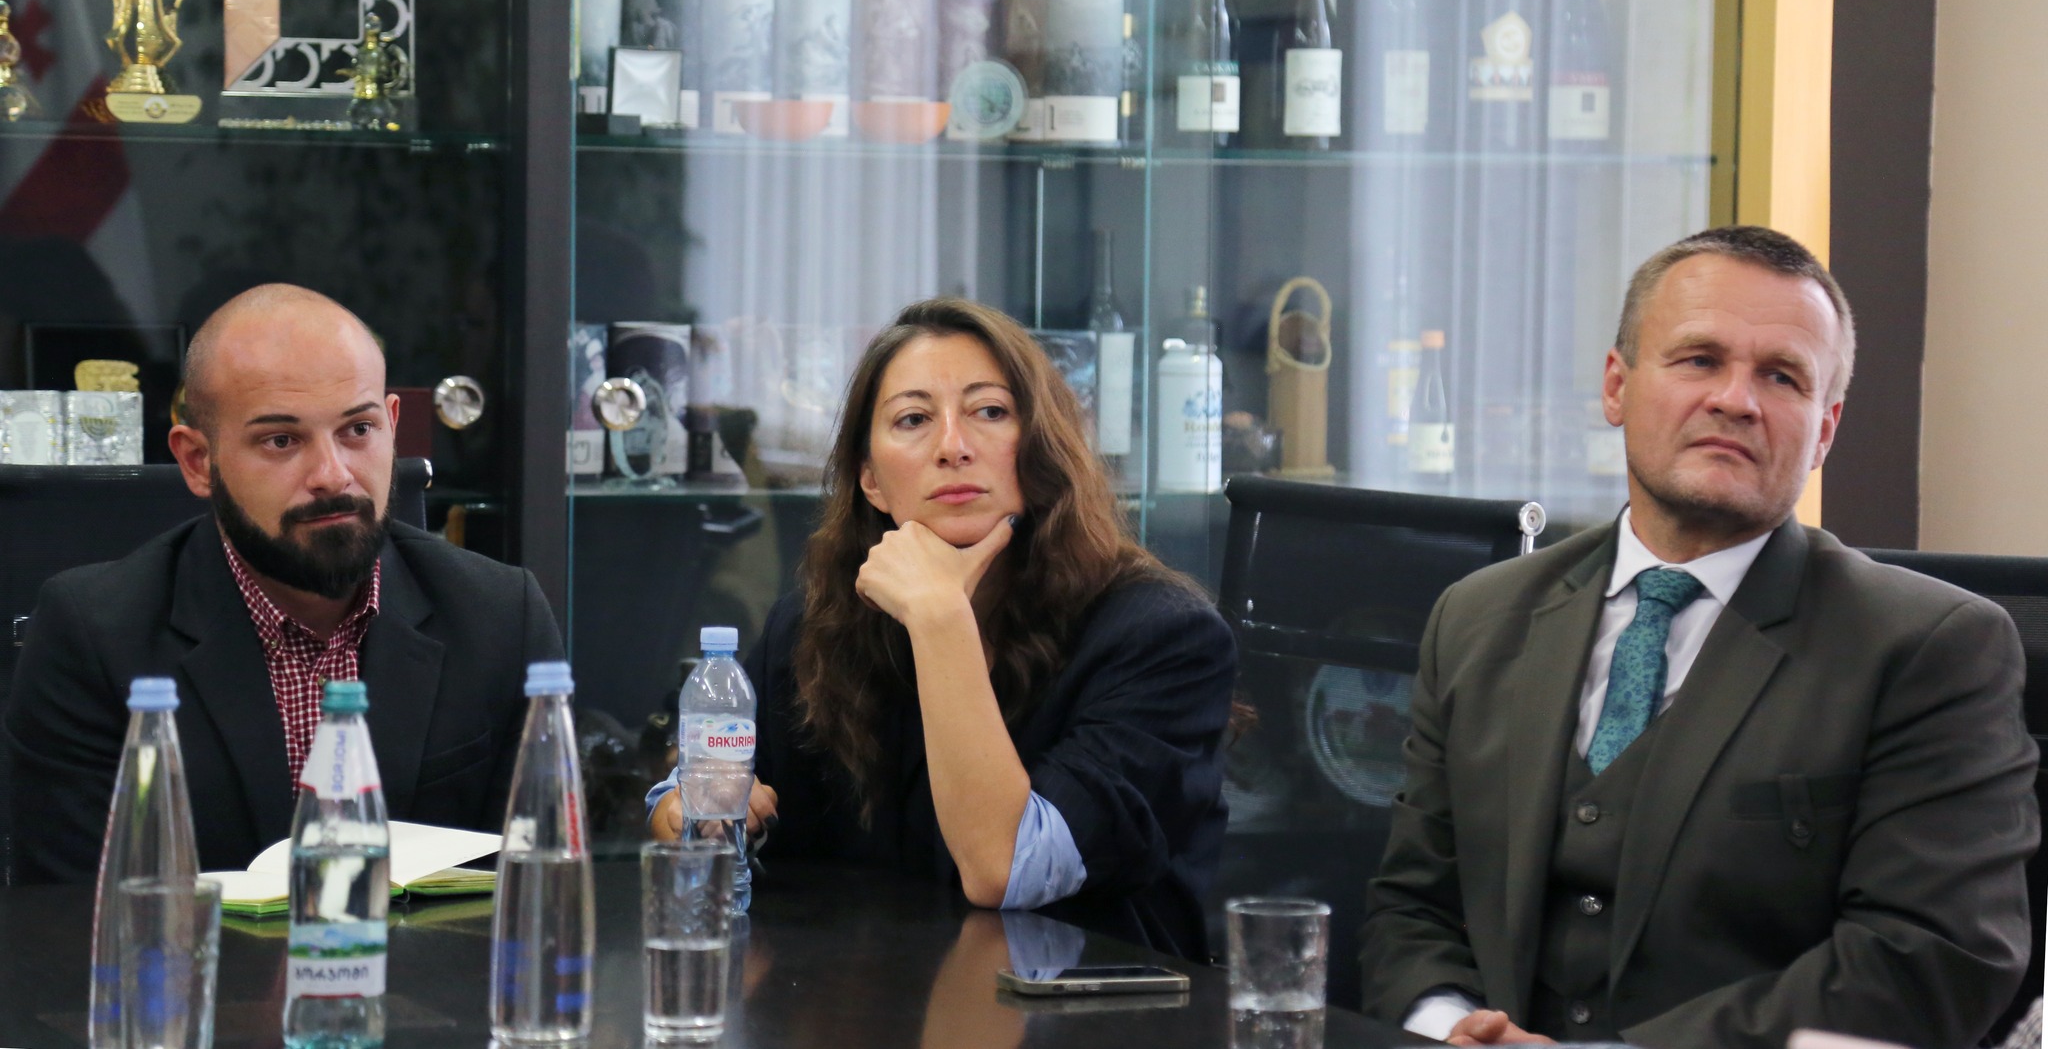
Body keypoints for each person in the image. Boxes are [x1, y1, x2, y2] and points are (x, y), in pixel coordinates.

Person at [1359, 226, 2038, 1048]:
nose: (1736, 400)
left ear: (1824, 430)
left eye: (1781, 376)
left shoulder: (1930, 650)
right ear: (1617, 387)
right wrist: (1448, 1026)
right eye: (1699, 360)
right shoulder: (1476, 617)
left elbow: (1926, 959)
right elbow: (1412, 905)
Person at [647, 298, 1237, 957]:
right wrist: (692, 809)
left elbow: (1003, 867)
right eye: (913, 419)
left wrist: (939, 617)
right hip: (862, 992)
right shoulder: (819, 623)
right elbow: (699, 778)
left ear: (1042, 449)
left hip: (1074, 1003)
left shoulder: (1163, 637)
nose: (954, 447)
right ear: (871, 480)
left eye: (990, 412)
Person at [5, 284, 562, 881]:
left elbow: (534, 887)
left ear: (393, 425)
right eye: (281, 440)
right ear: (198, 461)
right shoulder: (93, 637)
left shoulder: (501, 616)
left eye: (358, 429)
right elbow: (72, 914)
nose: (332, 475)